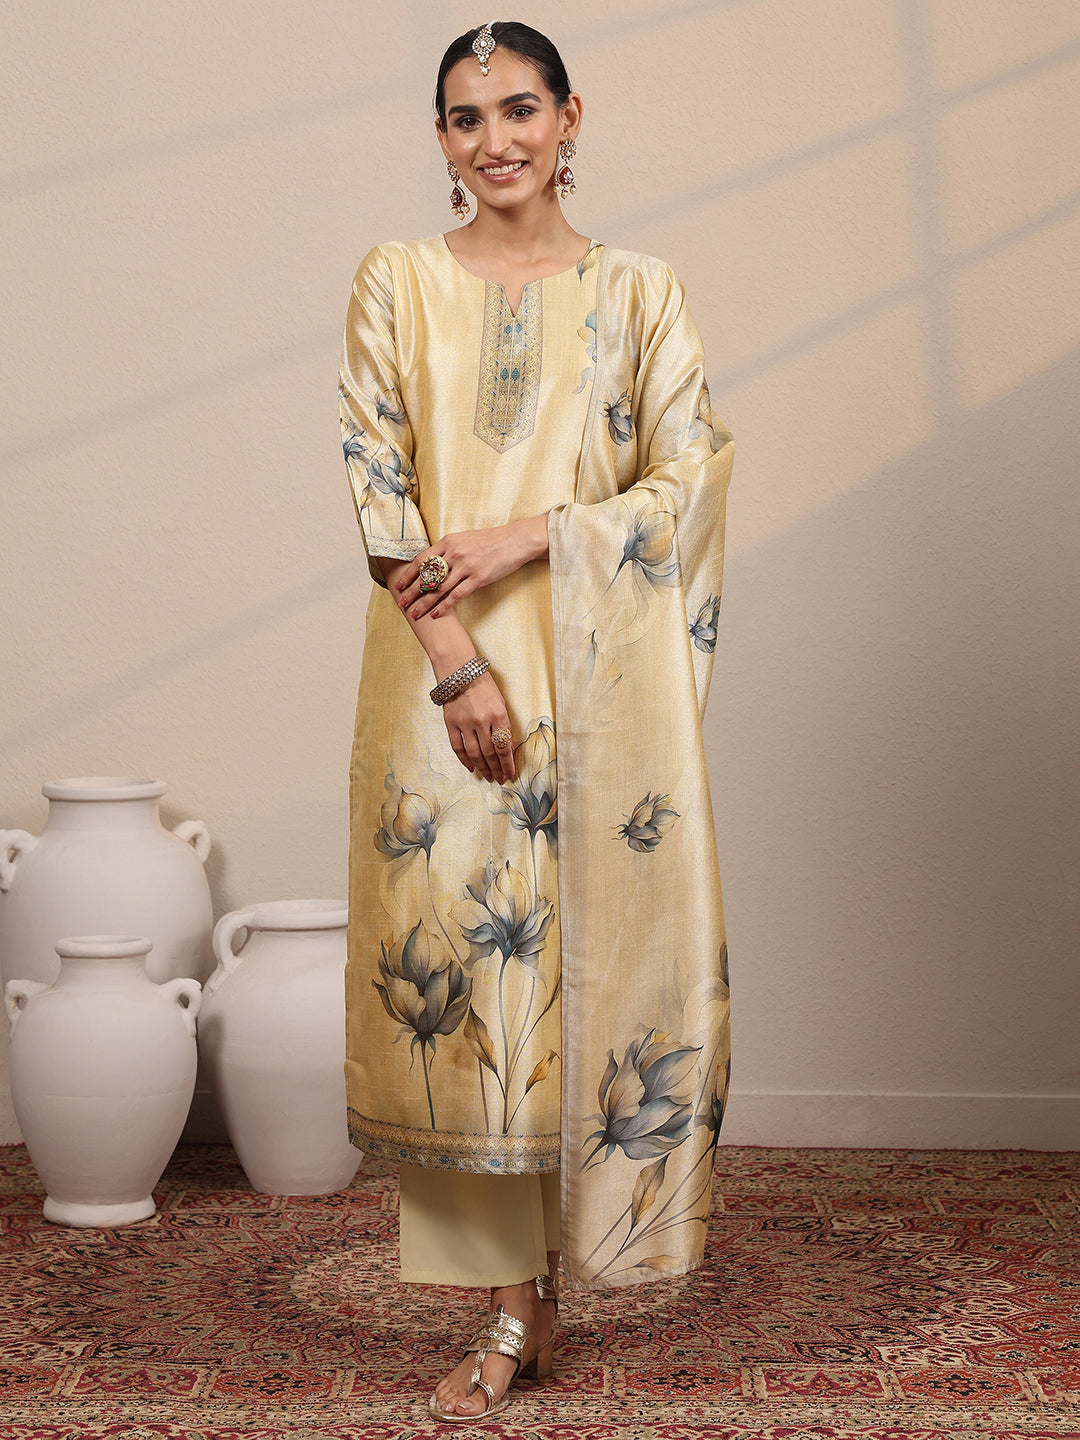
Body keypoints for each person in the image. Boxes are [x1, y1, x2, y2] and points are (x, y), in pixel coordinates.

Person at [340, 21, 734, 1421]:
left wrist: (530, 537)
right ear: (441, 140)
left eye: (519, 109)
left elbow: (687, 480)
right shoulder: (396, 281)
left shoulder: (640, 293)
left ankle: (571, 1275)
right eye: (466, 118)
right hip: (434, 680)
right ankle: (513, 1307)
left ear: (572, 118)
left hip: (595, 686)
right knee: (461, 987)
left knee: (578, 979)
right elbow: (378, 482)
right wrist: (459, 670)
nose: (494, 140)